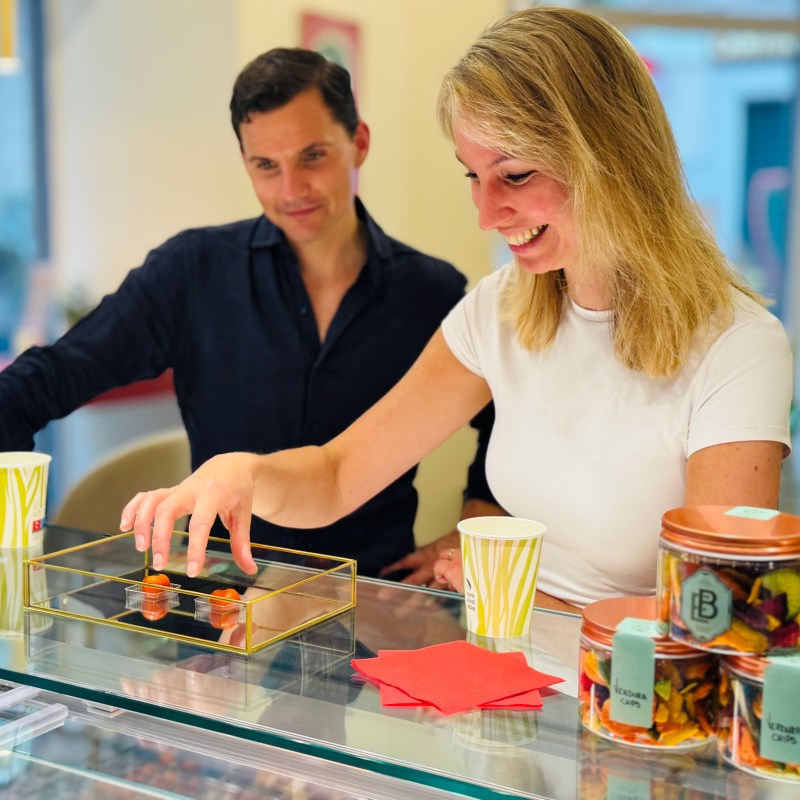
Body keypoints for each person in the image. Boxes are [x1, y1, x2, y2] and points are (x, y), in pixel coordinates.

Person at [121, 7, 792, 610]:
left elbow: (717, 611)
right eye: (474, 175)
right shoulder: (500, 310)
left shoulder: (738, 347)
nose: (485, 213)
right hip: (504, 688)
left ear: (608, 157)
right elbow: (338, 473)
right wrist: (244, 473)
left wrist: (523, 596)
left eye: (515, 175)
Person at [0, 47, 501, 580]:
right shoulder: (191, 272)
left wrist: (473, 521)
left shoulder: (430, 290)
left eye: (312, 157)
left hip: (375, 597)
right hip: (219, 596)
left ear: (358, 144)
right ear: (245, 162)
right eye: (266, 165)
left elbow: (505, 415)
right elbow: (50, 377)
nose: (291, 191)